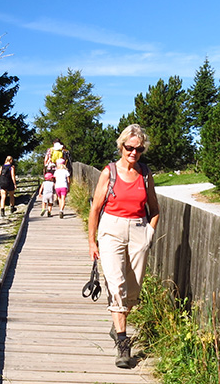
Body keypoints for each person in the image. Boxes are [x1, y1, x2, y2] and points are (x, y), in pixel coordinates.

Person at [87, 124, 160, 369]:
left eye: (138, 149)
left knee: (132, 287)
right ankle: (122, 343)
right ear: (121, 146)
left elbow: (155, 209)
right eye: (129, 148)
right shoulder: (109, 172)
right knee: (116, 284)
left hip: (139, 230)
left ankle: (116, 323)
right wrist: (92, 241)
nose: (133, 153)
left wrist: (149, 233)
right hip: (111, 230)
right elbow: (95, 209)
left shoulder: (145, 174)